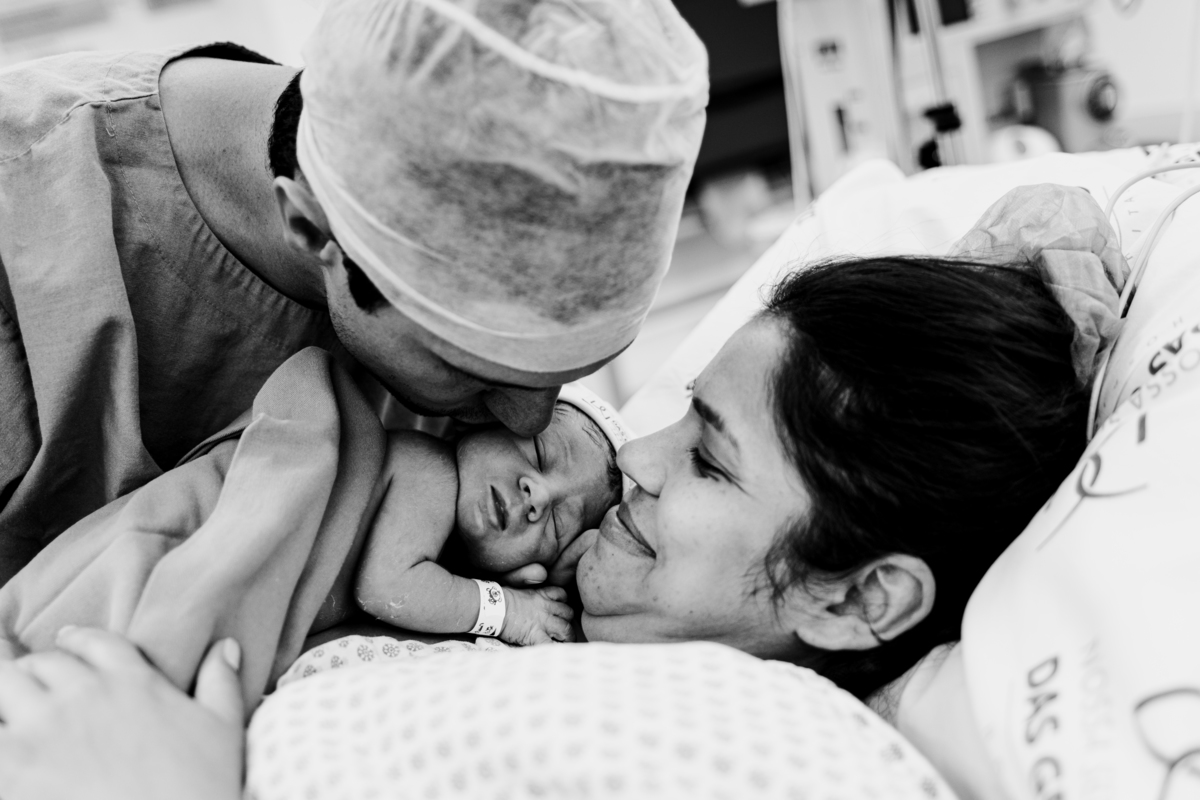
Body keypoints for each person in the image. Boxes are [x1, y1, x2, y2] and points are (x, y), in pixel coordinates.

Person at [0, 185, 1122, 798]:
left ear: (858, 597)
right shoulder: (571, 583)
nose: (640, 458)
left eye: (710, 459)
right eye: (681, 414)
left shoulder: (785, 758)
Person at [0, 0, 708, 585]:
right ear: (312, 231)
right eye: (477, 373)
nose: (530, 424)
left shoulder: (413, 206)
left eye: (564, 377)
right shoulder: (25, 212)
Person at [1, 385, 627, 665]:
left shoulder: (444, 546)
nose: (537, 496)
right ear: (477, 423)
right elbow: (389, 586)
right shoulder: (428, 471)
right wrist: (505, 611)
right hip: (204, 529)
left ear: (535, 566)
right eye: (539, 455)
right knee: (99, 611)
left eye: (558, 521)